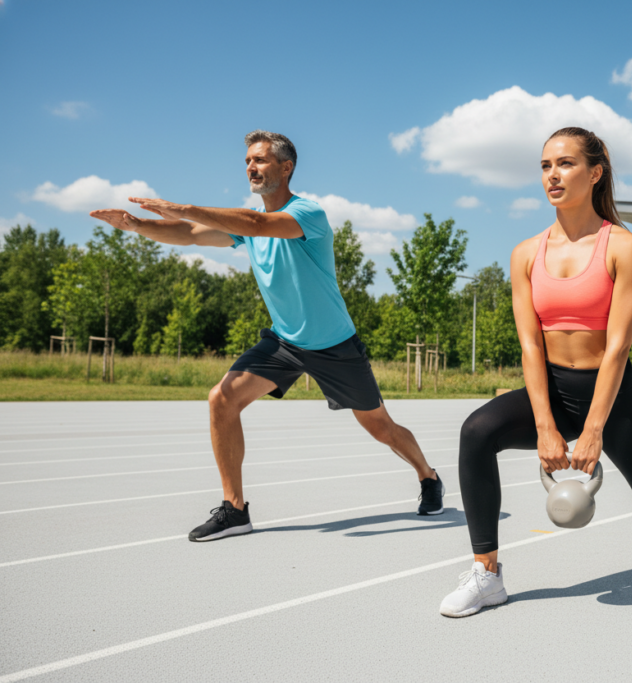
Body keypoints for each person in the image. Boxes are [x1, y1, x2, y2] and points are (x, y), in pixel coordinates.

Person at [90, 129, 445, 542]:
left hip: (335, 346)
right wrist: (136, 226)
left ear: (286, 167)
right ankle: (234, 509)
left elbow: (258, 223)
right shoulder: (246, 228)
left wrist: (184, 207)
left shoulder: (307, 214)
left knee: (380, 427)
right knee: (221, 398)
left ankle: (427, 475)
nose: (250, 168)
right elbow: (188, 235)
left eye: (259, 160)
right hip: (284, 344)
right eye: (246, 162)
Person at [438, 127, 632, 618]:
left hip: (613, 398)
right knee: (476, 432)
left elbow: (618, 347)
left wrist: (593, 431)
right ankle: (487, 574)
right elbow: (530, 343)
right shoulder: (526, 253)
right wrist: (546, 425)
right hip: (551, 386)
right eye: (546, 165)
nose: (553, 174)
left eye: (566, 163)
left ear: (595, 173)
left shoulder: (624, 246)